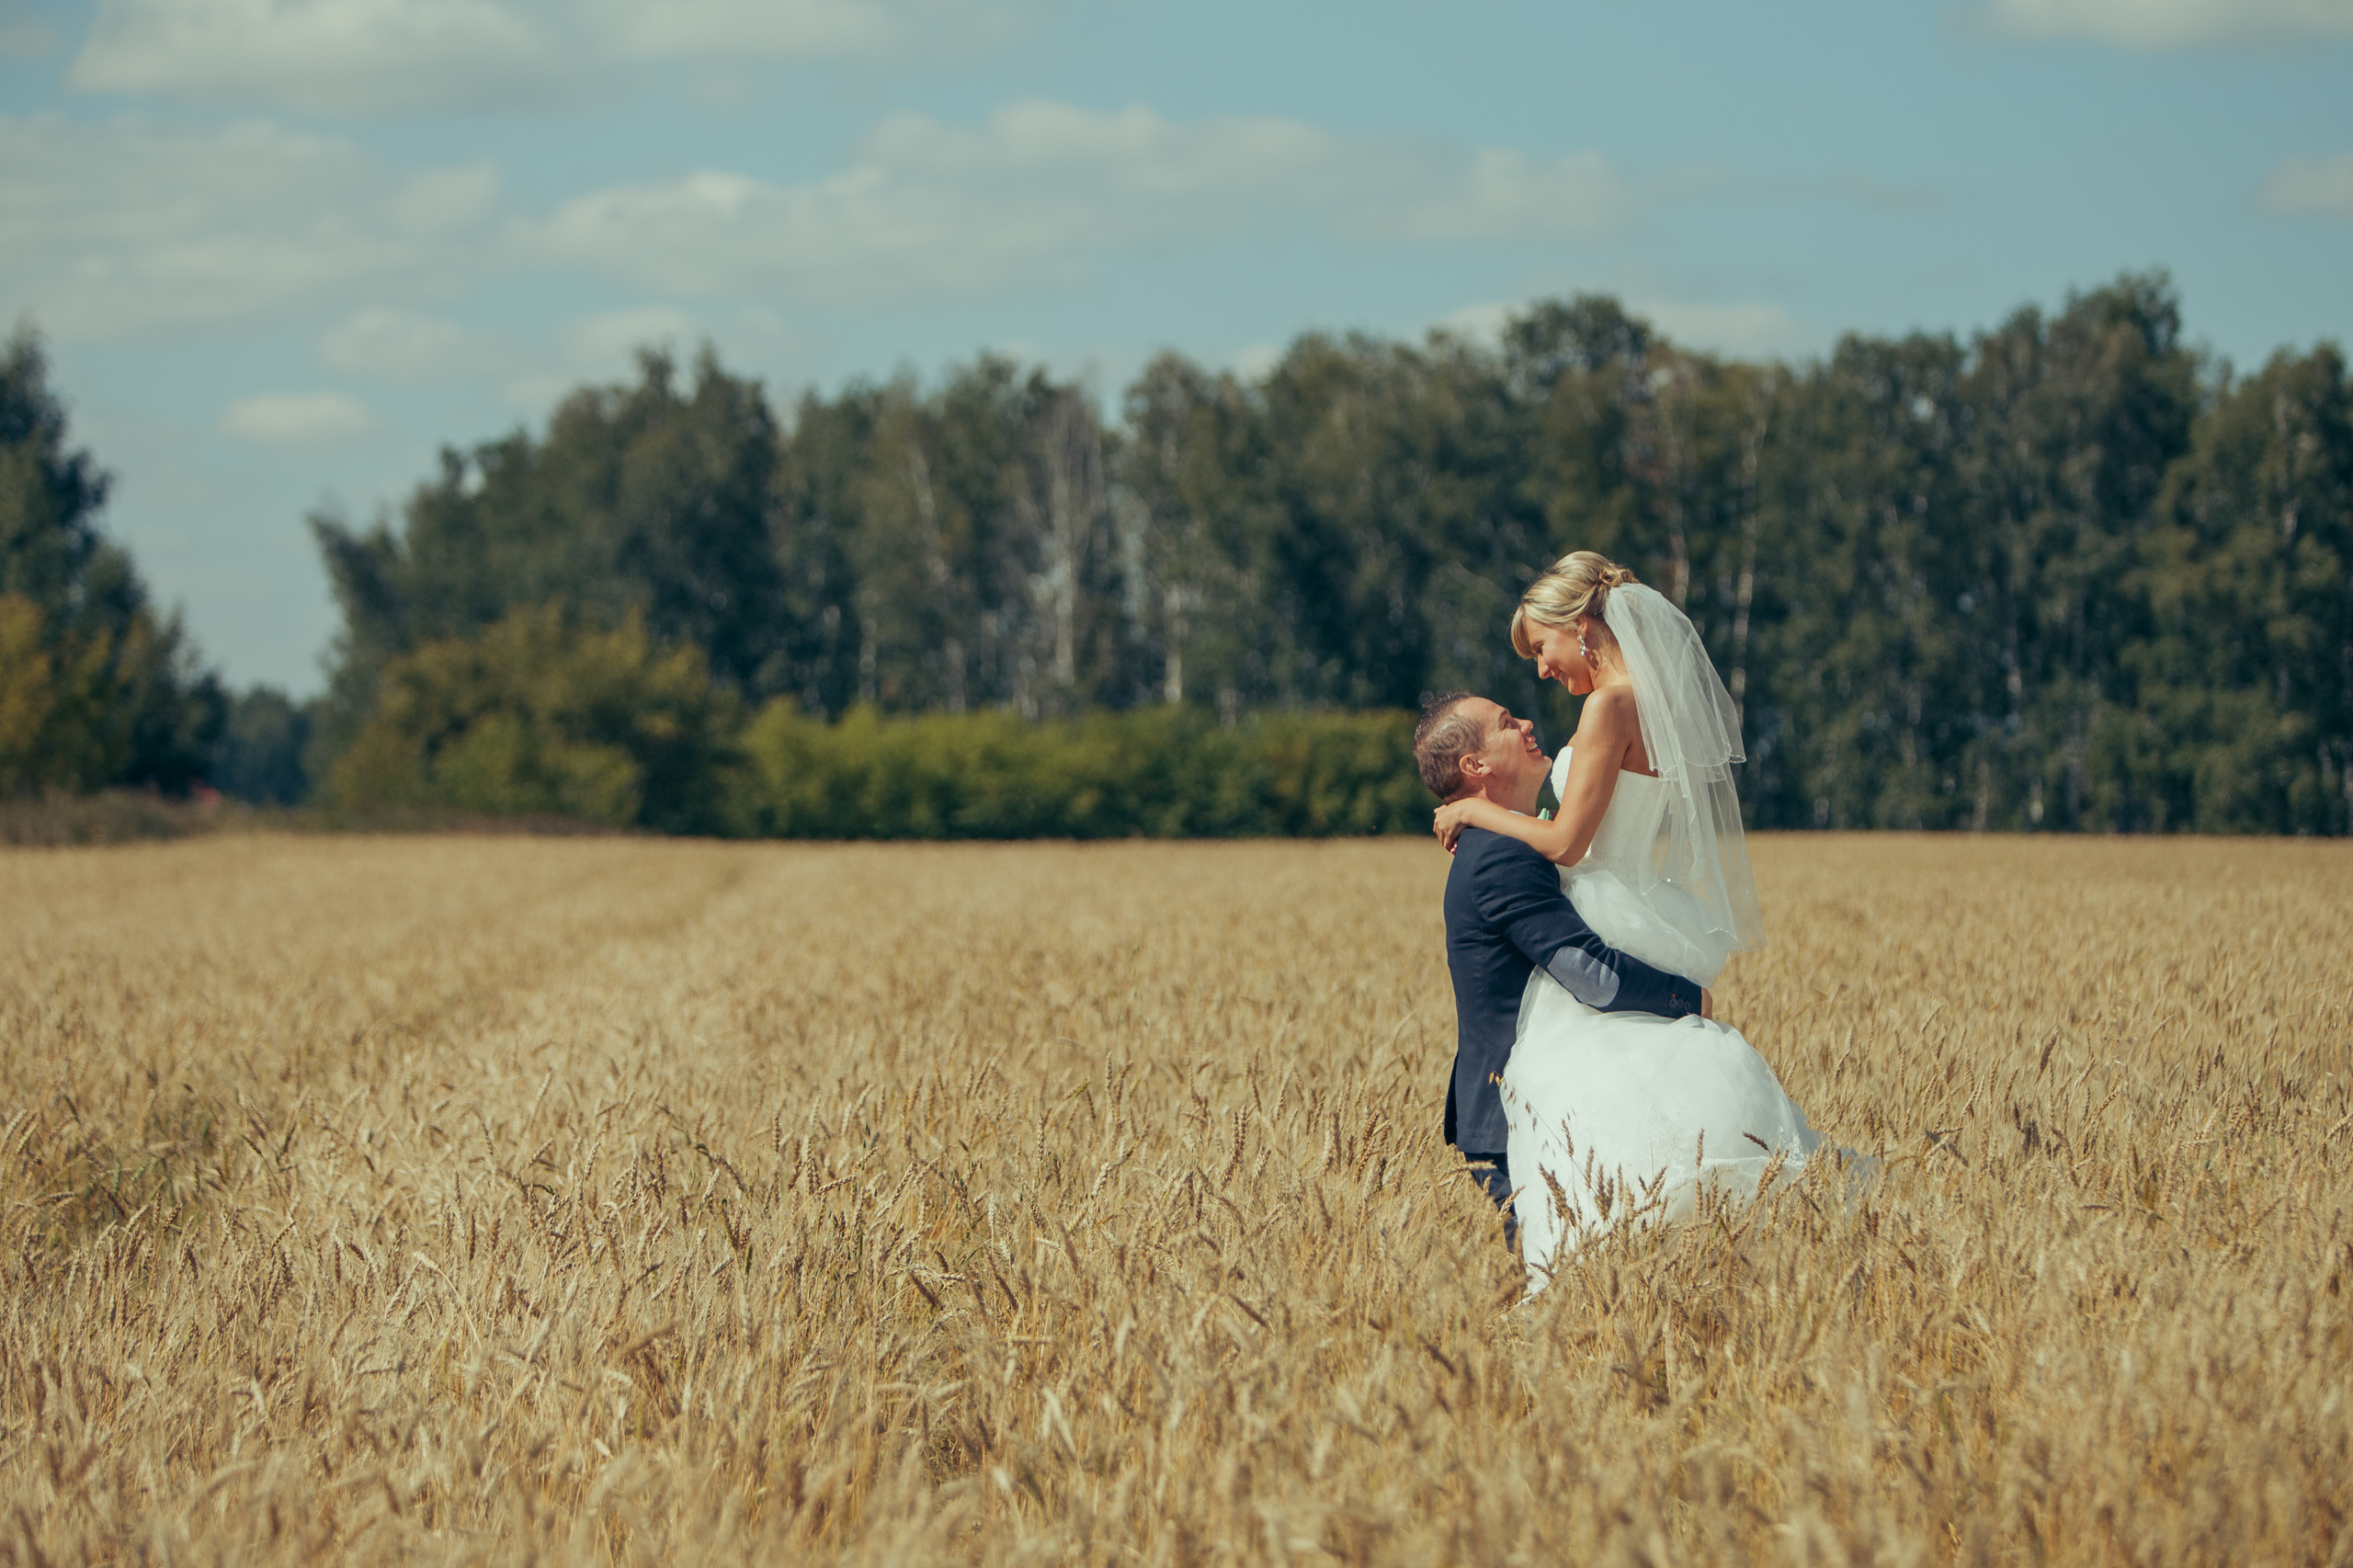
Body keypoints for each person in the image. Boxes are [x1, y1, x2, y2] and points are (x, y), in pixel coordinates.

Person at [1429, 551, 1836, 1293]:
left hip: (1604, 902)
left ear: (1578, 628)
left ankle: (1586, 1273)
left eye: (1542, 651)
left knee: (1587, 1095)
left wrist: (1477, 809)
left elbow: (1566, 843)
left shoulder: (1610, 706)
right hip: (1633, 898)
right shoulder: (1644, 702)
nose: (1542, 674)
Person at [1412, 689, 1709, 1248]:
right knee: (1555, 1297)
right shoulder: (1501, 854)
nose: (1526, 722)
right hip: (1522, 1119)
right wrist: (1688, 1001)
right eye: (1505, 723)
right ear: (1474, 766)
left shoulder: (1508, 841)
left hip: (1548, 1107)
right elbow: (1588, 972)